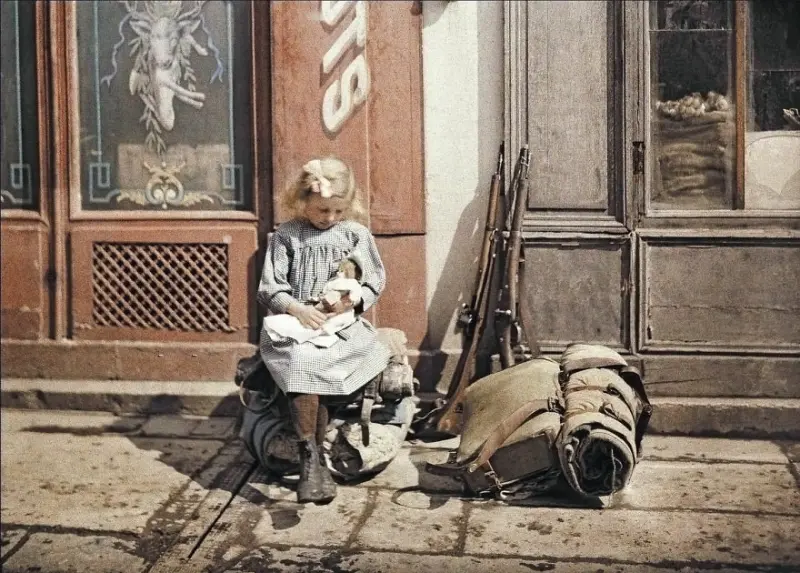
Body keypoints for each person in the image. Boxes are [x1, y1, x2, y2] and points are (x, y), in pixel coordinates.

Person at [257, 157, 391, 504]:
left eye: (337, 210)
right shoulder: (287, 236)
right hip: (296, 324)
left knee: (330, 359)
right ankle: (309, 455)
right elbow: (270, 288)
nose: (328, 218)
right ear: (302, 202)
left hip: (339, 323)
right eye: (320, 210)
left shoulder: (355, 235)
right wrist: (298, 308)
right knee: (303, 359)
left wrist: (351, 302)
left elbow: (374, 279)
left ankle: (311, 459)